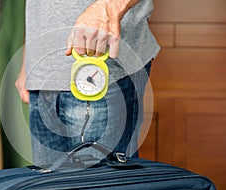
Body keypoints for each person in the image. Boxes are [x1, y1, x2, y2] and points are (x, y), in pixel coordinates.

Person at [15, 0, 160, 166]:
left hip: (107, 70)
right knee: (49, 187)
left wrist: (109, 8)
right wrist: (26, 62)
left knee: (102, 186)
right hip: (41, 71)